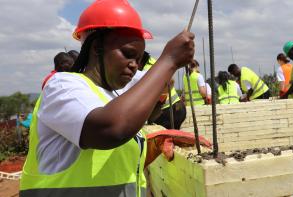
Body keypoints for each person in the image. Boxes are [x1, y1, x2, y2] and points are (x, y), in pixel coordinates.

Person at [20, 0, 210, 196]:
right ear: (96, 48)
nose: (134, 65)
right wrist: (169, 60)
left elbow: (161, 84)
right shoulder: (63, 87)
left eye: (139, 59)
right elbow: (110, 129)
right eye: (128, 54)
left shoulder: (114, 96)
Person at [139, 51, 186, 130]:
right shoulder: (154, 62)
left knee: (165, 139)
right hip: (179, 107)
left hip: (166, 111)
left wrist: (160, 100)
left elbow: (171, 81)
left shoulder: (145, 71)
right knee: (175, 138)